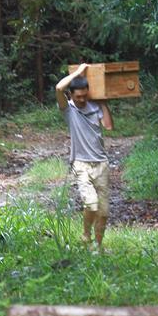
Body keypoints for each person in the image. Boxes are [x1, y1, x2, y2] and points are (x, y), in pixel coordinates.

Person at [56, 63, 113, 250]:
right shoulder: (69, 110)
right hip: (80, 163)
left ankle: (98, 245)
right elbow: (59, 87)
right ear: (71, 95)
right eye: (77, 96)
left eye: (84, 96)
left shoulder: (95, 107)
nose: (81, 99)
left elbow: (108, 126)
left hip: (101, 163)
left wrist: (104, 102)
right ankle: (86, 234)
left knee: (103, 212)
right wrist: (79, 72)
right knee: (91, 204)